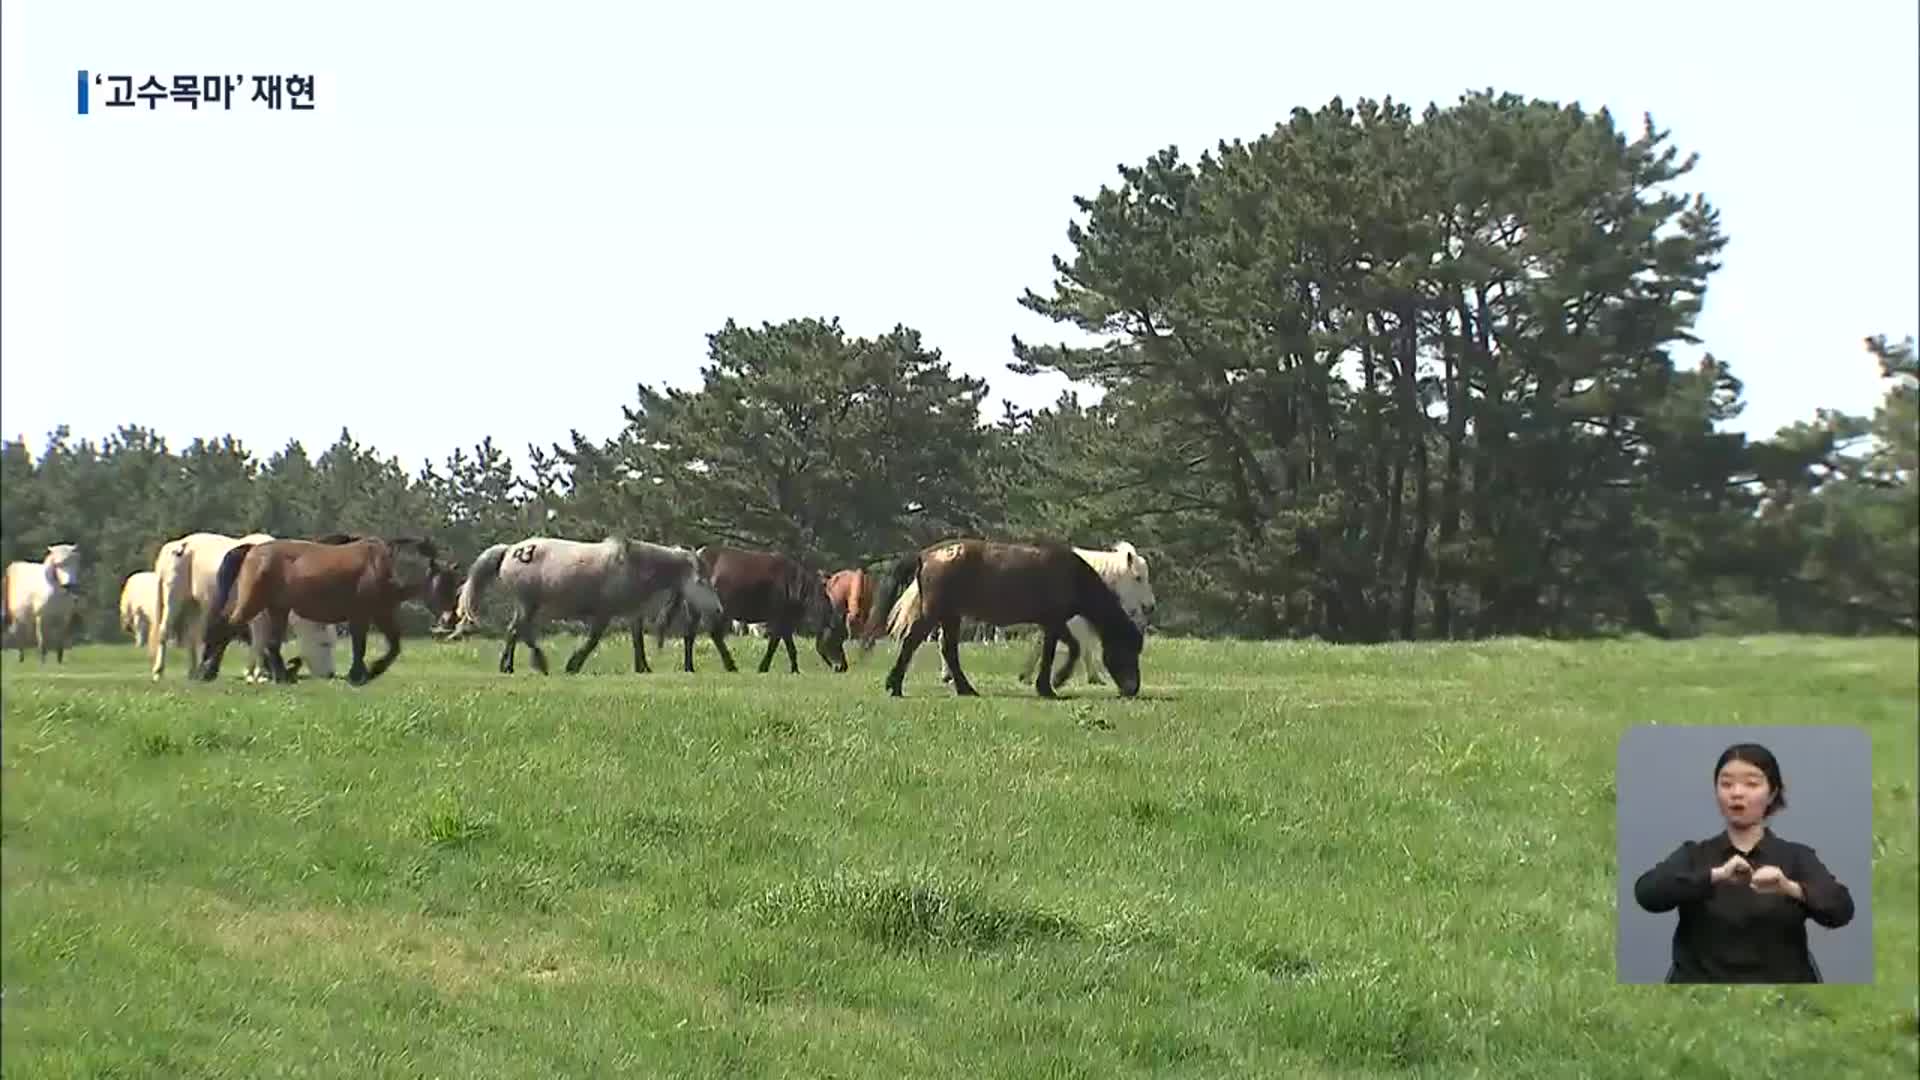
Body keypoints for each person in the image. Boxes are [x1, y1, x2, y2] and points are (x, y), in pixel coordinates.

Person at [1633, 742, 1856, 983]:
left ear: (1772, 793)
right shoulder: (1695, 855)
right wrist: (1714, 876)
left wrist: (1789, 888)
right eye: (1726, 784)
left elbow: (1841, 910)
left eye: (1751, 784)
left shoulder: (1797, 856)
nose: (1737, 793)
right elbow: (1647, 894)